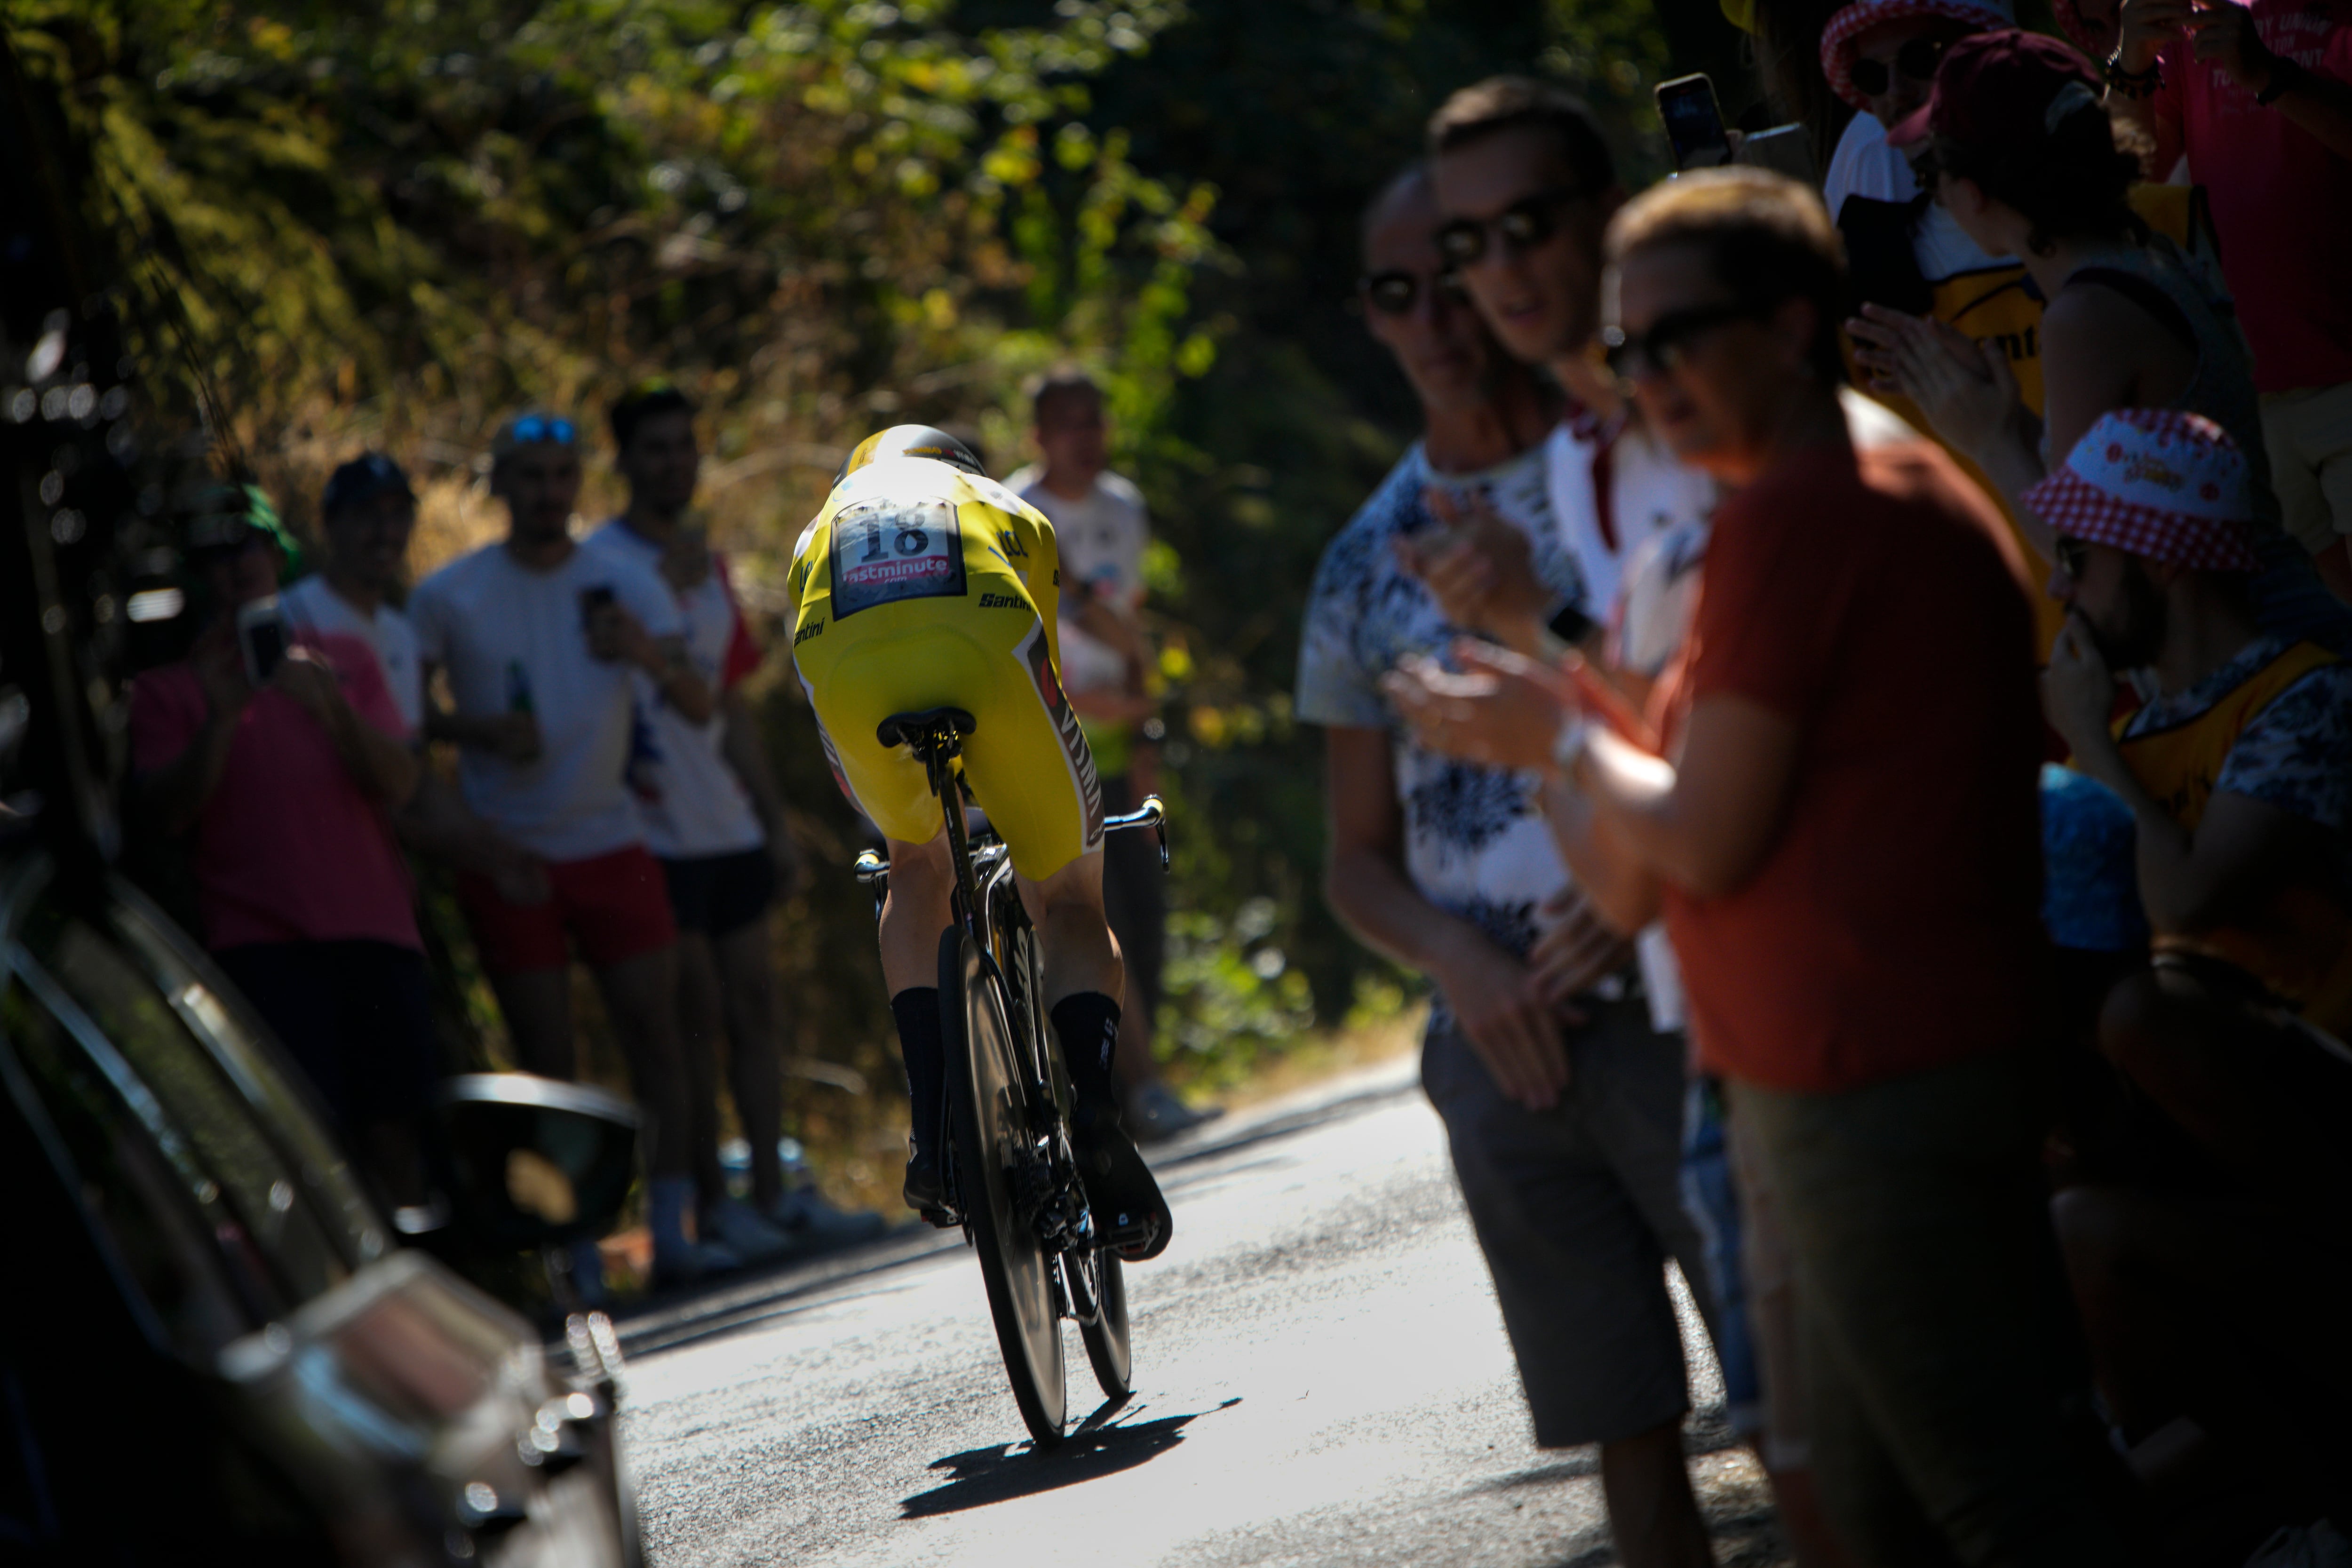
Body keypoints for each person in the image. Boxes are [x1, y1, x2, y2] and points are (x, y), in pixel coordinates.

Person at [1386, 166, 2132, 1565]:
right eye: (1627, 349)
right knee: (1868, 1517)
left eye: (1677, 335)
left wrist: (1552, 728)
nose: (1644, 377)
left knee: (2001, 1498)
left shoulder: (1815, 507)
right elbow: (1634, 870)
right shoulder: (1777, 509)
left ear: (1790, 324)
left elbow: (1694, 835)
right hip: (1830, 1070)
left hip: (1874, 1074)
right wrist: (1567, 711)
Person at [2031, 408, 2352, 1533]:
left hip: (2325, 1145)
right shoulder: (2131, 719)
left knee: (2138, 1013)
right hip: (2197, 1177)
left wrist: (2090, 750)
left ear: (2160, 554)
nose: (2061, 587)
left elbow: (2183, 904)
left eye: (2078, 556)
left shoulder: (2305, 699)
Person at [786, 423, 1171, 1261]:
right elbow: (1049, 674)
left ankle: (932, 1127)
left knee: (912, 864)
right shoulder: (1003, 504)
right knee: (1068, 888)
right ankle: (1100, 1111)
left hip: (844, 666)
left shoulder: (821, 524)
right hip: (985, 643)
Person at [1852, 28, 2352, 653]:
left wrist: (1986, 433)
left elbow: (2087, 565)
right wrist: (2006, 413)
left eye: (1935, 172)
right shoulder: (2142, 260)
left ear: (1974, 191)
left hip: (2251, 683)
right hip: (2279, 647)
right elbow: (2127, 495)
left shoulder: (2085, 316)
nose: (1937, 191)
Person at [409, 410, 734, 1287]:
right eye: (531, 476)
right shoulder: (451, 594)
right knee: (548, 1064)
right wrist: (468, 726)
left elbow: (702, 704)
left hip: (613, 839)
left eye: (563, 476)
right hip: (509, 855)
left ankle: (673, 1230)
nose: (550, 494)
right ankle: (575, 1253)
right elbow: (398, 719)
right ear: (500, 484)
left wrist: (639, 651)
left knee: (657, 1036)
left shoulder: (622, 579)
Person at [584, 379, 885, 1258]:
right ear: (625, 462)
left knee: (756, 1004)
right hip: (650, 827)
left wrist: (773, 820)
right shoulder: (599, 564)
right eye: (655, 449)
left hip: (723, 821)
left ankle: (771, 1191)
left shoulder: (705, 563)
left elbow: (731, 699)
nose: (673, 462)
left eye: (684, 446)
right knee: (689, 1018)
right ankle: (710, 1212)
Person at [129, 484, 437, 1219]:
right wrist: (221, 721)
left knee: (397, 1130)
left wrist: (329, 705)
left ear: (277, 555)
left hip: (374, 931)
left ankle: (421, 1279)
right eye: (215, 554)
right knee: (306, 1140)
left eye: (250, 547)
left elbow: (400, 781)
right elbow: (164, 816)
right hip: (262, 947)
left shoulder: (345, 657)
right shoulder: (167, 690)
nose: (237, 567)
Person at [1428, 77, 1717, 668]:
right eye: (1467, 241)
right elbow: (1651, 710)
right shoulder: (1573, 457)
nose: (1501, 267)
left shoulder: (1715, 407)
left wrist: (1528, 609)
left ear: (1610, 213)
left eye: (1527, 224)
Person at [1005, 370, 1217, 1144]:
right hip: (1053, 735)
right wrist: (1084, 705)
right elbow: (1021, 638)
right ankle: (1129, 1087)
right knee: (1099, 916)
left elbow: (1128, 624)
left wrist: (1146, 721)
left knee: (1146, 908)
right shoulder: (1011, 512)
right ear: (1037, 436)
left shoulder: (1124, 506)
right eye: (1067, 424)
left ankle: (1144, 1085)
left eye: (1095, 420)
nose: (1085, 437)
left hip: (1124, 738)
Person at [2108, 0, 2352, 602]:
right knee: (2319, 621)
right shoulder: (2198, 20)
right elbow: (2124, 180)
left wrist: (2266, 73)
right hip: (2247, 386)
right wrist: (2131, 63)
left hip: (2345, 373)